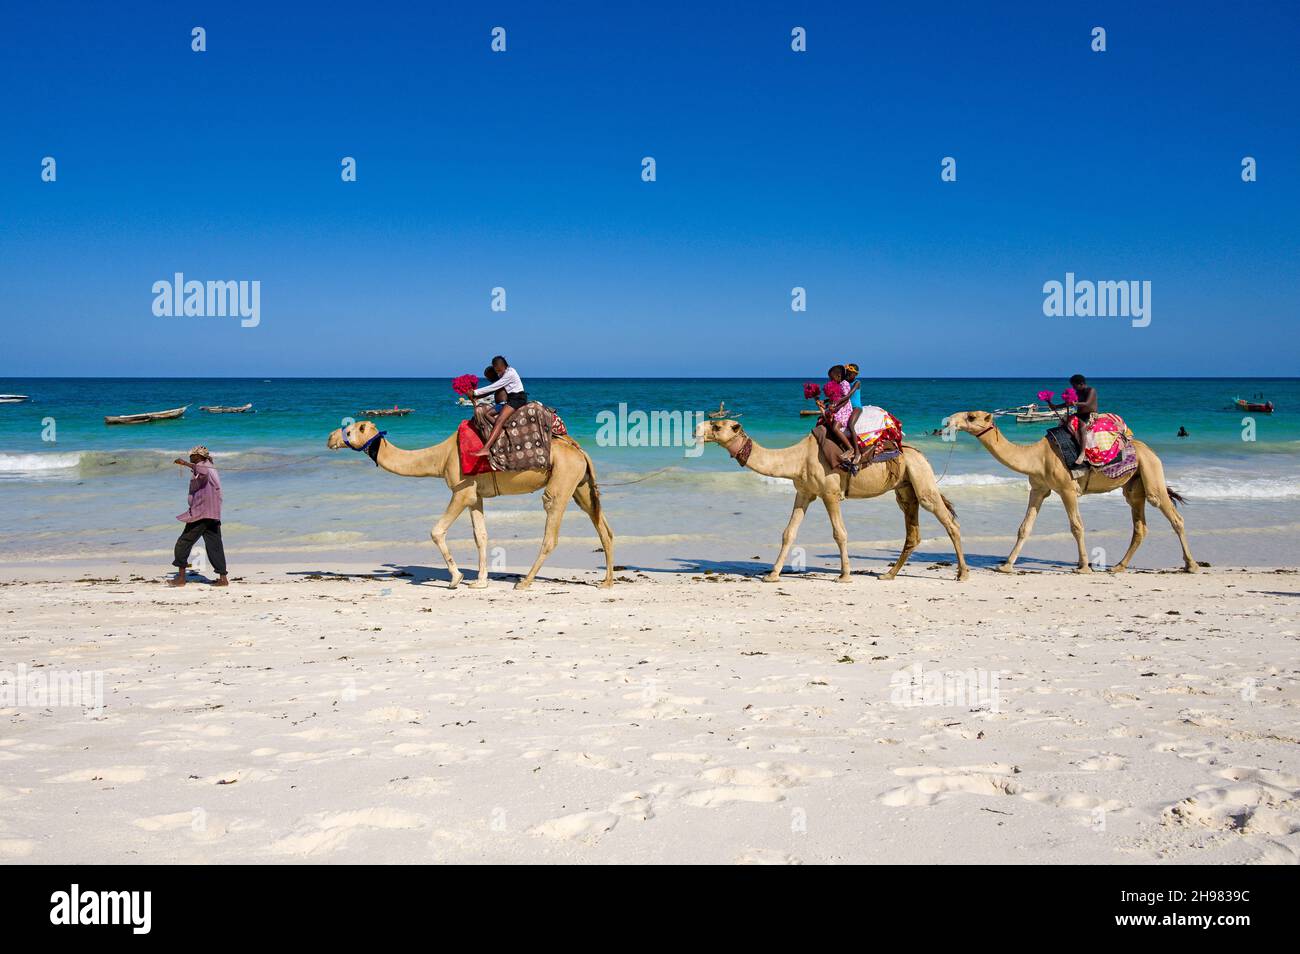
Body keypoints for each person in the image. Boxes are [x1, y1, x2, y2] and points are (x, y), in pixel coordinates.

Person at [169, 445, 227, 587]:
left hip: (202, 513)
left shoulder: (203, 465)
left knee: (183, 543)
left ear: (199, 456)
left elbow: (202, 471)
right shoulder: (209, 466)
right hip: (212, 513)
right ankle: (223, 578)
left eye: (193, 455)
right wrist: (190, 465)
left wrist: (185, 463)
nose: (191, 457)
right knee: (215, 546)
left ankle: (181, 578)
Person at [472, 356, 527, 457]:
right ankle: (500, 429)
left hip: (518, 398)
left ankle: (486, 449)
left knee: (500, 420)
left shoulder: (510, 373)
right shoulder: (505, 373)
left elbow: (494, 386)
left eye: (499, 369)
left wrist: (474, 392)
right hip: (511, 398)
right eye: (496, 370)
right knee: (488, 414)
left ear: (504, 365)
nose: (498, 372)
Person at [1050, 373, 1098, 465]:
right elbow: (1069, 403)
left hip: (1090, 414)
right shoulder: (1078, 392)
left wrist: (1074, 404)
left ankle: (1082, 453)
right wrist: (1056, 406)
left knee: (1081, 427)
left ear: (1081, 383)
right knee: (1064, 422)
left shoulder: (1091, 390)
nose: (1073, 388)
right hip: (1079, 414)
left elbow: (1087, 403)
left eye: (1074, 386)